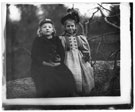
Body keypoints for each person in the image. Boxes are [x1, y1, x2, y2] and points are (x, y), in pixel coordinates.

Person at [31, 18, 76, 98]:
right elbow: (34, 55)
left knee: (67, 75)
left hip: (56, 63)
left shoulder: (57, 39)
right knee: (48, 77)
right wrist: (45, 63)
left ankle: (67, 97)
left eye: (49, 27)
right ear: (40, 30)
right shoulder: (38, 40)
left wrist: (58, 62)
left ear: (53, 30)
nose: (47, 28)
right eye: (44, 27)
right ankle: (50, 100)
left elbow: (62, 52)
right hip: (42, 65)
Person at [60, 10, 95, 96]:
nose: (70, 28)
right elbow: (60, 49)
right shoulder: (62, 38)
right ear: (64, 27)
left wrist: (87, 56)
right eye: (68, 26)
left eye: (72, 26)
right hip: (67, 59)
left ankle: (82, 91)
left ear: (75, 27)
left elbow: (85, 49)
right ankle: (71, 92)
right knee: (71, 73)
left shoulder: (80, 38)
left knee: (84, 73)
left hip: (79, 59)